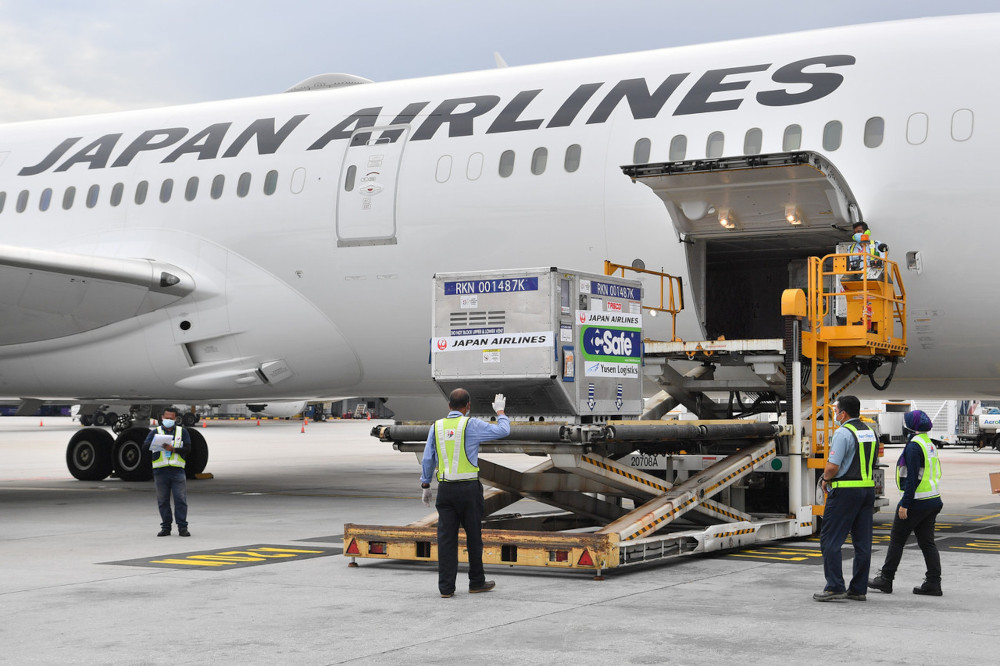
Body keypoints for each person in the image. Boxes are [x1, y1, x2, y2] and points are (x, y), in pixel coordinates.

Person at [420, 388, 510, 598]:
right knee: (473, 538)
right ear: (468, 406)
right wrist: (501, 412)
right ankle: (476, 582)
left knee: (446, 539)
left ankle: (446, 588)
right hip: (469, 490)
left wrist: (425, 485)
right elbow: (503, 431)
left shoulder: (437, 426)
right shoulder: (472, 424)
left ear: (449, 406)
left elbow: (428, 458)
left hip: (446, 491)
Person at [869, 409, 944, 596]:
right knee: (927, 543)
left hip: (917, 501)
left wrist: (905, 504)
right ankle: (934, 582)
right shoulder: (929, 444)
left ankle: (886, 579)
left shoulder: (913, 447)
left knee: (897, 540)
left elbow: (912, 479)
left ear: (911, 427)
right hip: (932, 500)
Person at [814, 395, 877, 601]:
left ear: (844, 413)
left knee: (830, 540)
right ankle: (858, 589)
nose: (835, 415)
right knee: (862, 543)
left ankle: (834, 586)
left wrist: (825, 478)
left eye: (836, 411)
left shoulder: (843, 433)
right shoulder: (870, 432)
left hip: (845, 491)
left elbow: (833, 466)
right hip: (867, 491)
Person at [144, 406, 192, 537]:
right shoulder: (156, 432)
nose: (169, 420)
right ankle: (166, 527)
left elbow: (188, 448)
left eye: (171, 418)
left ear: (176, 419)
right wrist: (158, 444)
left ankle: (182, 527)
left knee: (180, 499)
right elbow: (145, 446)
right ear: (162, 418)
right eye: (166, 418)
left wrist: (174, 449)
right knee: (163, 501)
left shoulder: (182, 432)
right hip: (160, 471)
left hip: (177, 471)